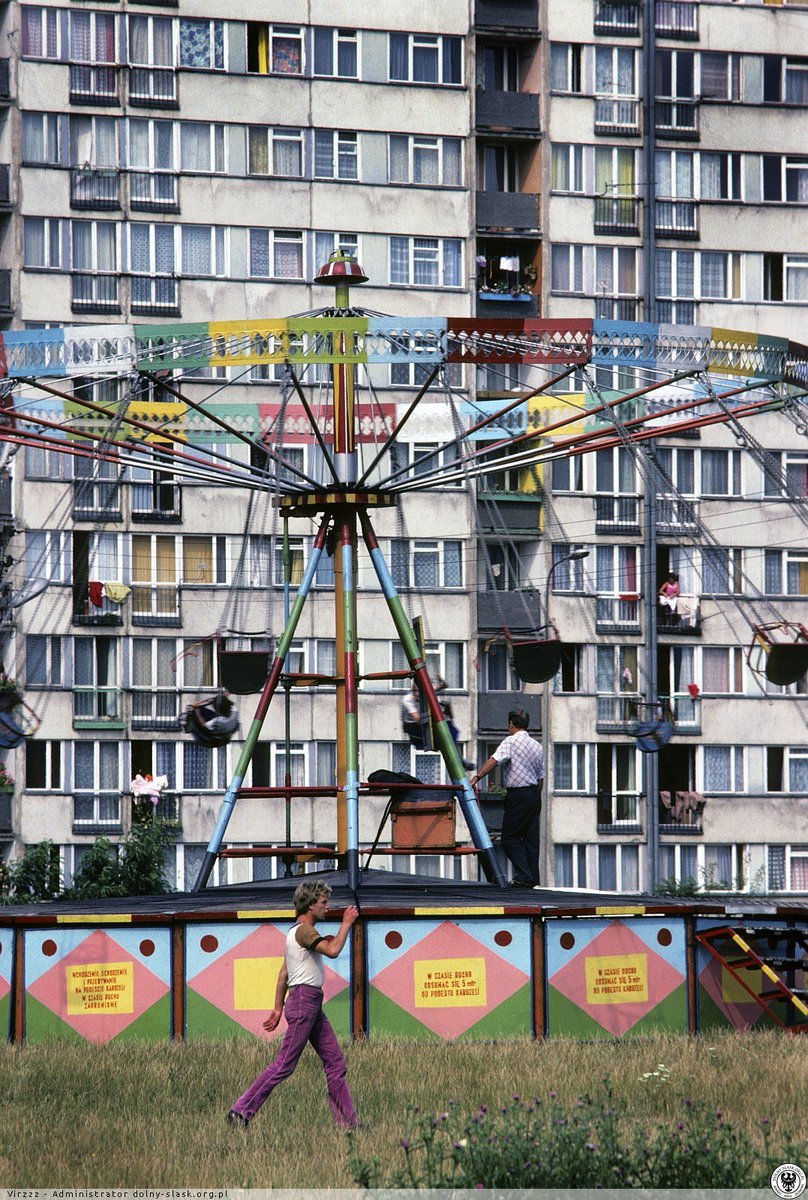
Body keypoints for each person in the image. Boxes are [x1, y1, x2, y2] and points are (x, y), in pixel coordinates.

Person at [227, 882, 359, 1130]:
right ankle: (240, 1110)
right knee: (284, 1064)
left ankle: (347, 1125)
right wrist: (346, 924)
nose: (327, 908)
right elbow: (332, 950)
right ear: (310, 904)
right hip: (304, 1003)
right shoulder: (304, 931)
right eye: (323, 903)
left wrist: (278, 1009)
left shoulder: (295, 933)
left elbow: (283, 975)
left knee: (335, 1062)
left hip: (308, 1003)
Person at [469, 708, 544, 888]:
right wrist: (535, 797)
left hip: (518, 794)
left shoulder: (510, 741)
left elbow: (494, 760)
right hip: (534, 794)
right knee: (530, 839)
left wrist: (476, 778)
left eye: (508, 725)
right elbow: (541, 777)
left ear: (512, 724)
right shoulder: (537, 745)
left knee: (509, 838)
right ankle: (532, 878)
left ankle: (524, 876)